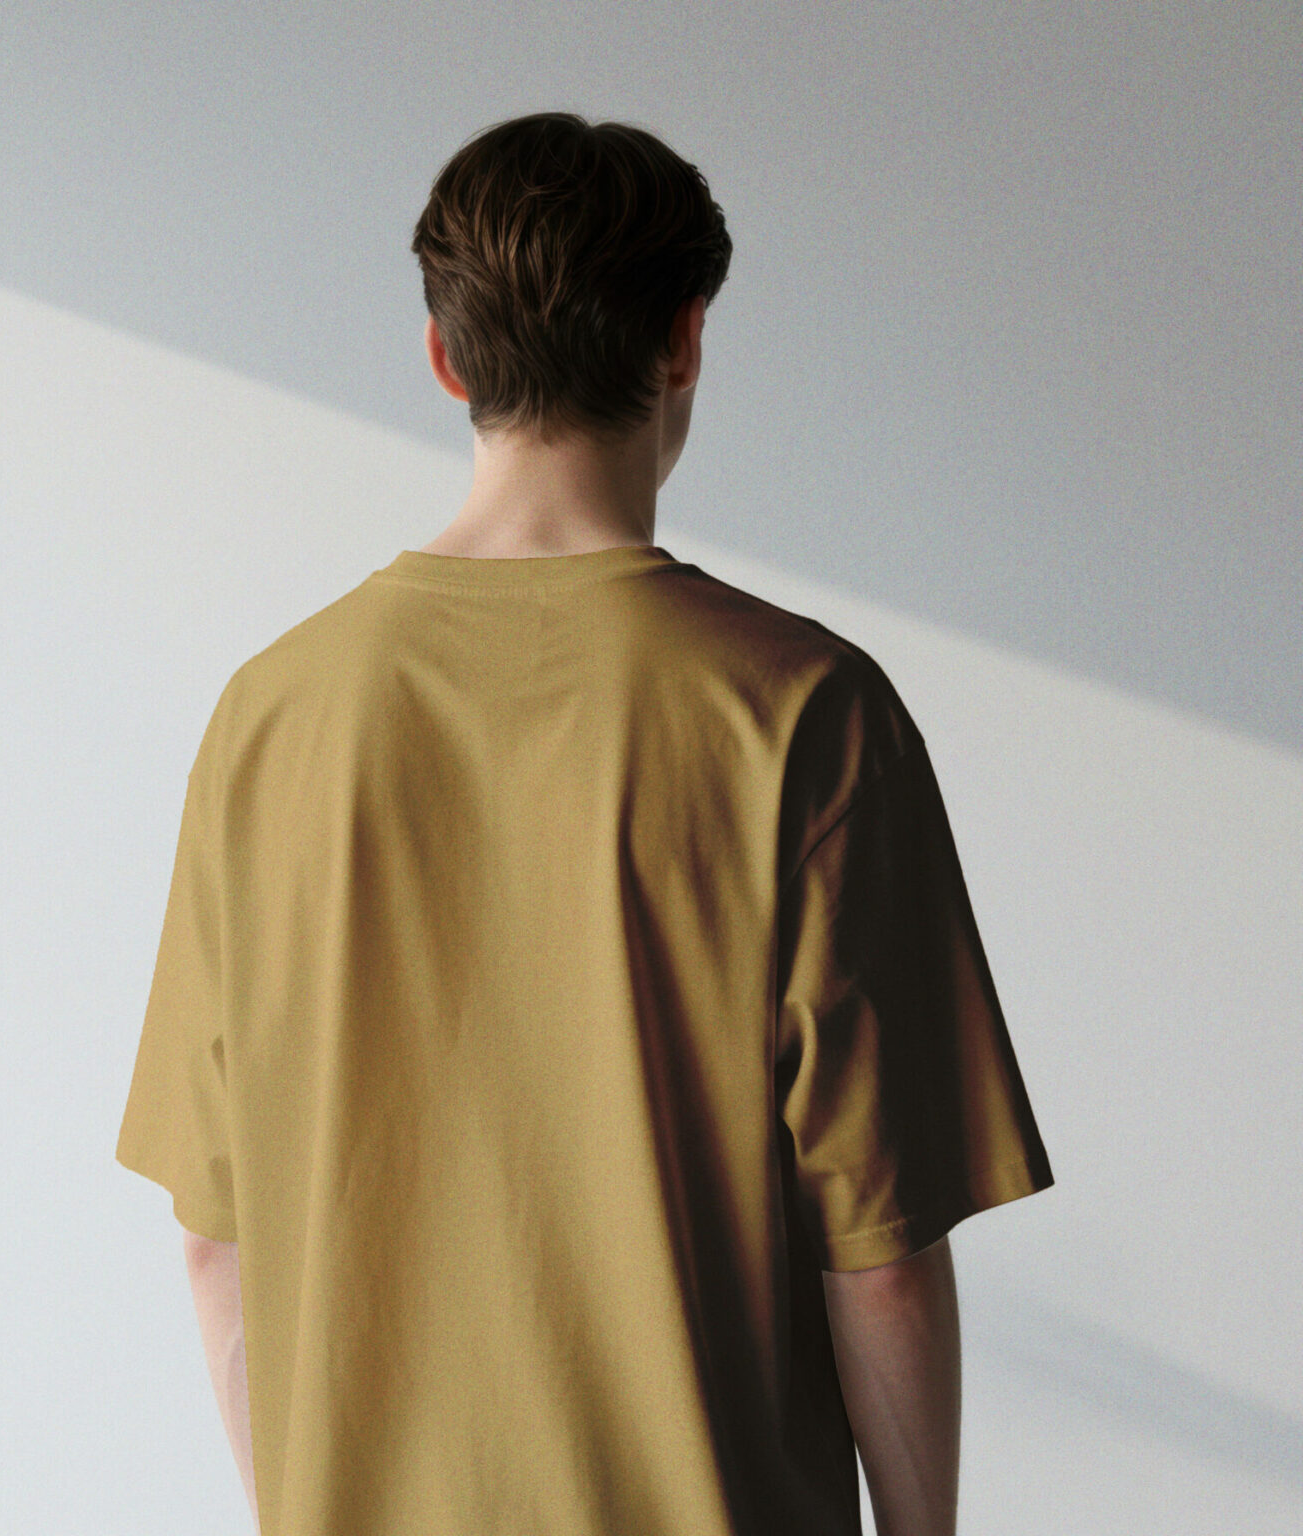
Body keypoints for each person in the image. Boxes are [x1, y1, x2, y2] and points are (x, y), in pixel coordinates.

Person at [116, 111, 1054, 1536]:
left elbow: (214, 1236)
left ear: (445, 359)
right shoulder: (802, 714)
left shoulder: (272, 717)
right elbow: (880, 1262)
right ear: (684, 342)